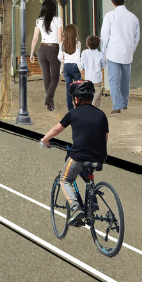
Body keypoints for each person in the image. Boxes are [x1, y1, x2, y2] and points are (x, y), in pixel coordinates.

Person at [40, 80, 109, 226]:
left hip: (79, 155)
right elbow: (105, 137)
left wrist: (45, 140)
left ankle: (76, 208)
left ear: (76, 99)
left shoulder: (73, 113)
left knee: (65, 179)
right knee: (86, 170)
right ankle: (93, 201)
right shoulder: (102, 115)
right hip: (99, 156)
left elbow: (56, 130)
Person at [100, 0, 140, 116]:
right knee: (125, 80)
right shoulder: (133, 17)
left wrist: (102, 52)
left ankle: (117, 107)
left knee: (113, 80)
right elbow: (136, 38)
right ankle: (124, 103)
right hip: (127, 53)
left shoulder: (109, 16)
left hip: (113, 53)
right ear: (124, 0)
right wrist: (131, 50)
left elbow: (104, 36)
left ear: (113, 3)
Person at [29, 0, 63, 112]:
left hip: (42, 49)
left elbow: (35, 39)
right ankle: (49, 99)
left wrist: (31, 53)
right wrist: (62, 51)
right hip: (54, 49)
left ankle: (49, 103)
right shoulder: (58, 20)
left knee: (46, 76)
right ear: (53, 8)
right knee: (55, 77)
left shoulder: (39, 20)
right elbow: (60, 39)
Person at [57, 23, 81, 113]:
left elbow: (59, 57)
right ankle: (78, 107)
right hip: (75, 67)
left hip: (66, 67)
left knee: (69, 88)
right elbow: (78, 58)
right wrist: (80, 68)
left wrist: (64, 59)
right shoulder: (78, 43)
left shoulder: (63, 44)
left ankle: (70, 109)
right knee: (78, 88)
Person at [80, 35, 106, 102]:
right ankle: (94, 109)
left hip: (88, 78)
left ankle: (88, 109)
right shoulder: (100, 54)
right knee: (96, 98)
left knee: (88, 96)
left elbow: (82, 64)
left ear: (87, 44)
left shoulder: (84, 52)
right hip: (97, 79)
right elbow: (103, 66)